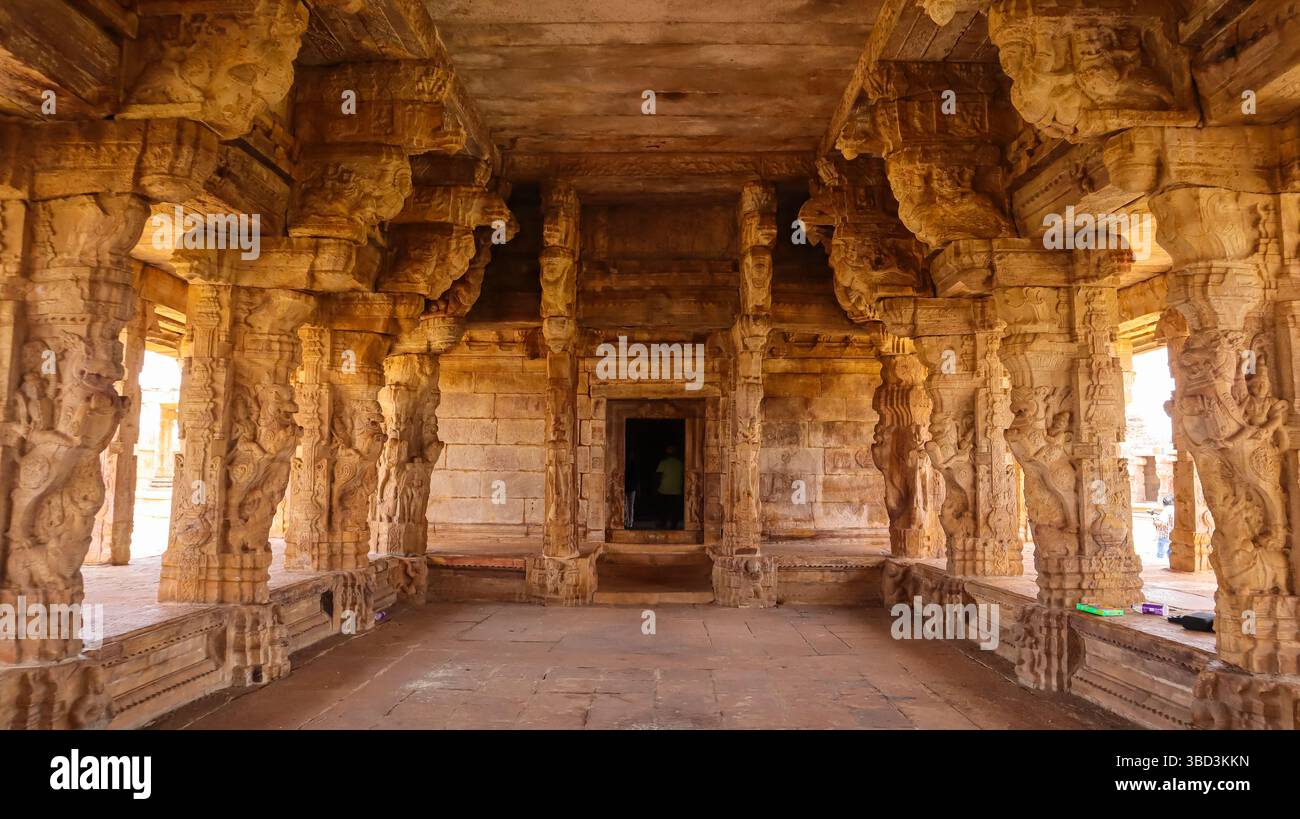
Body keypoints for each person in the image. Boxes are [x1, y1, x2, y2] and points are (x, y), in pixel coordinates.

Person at [655, 444, 684, 529]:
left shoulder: (663, 462)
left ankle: (663, 524)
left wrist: (656, 487)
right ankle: (673, 526)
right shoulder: (679, 463)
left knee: (663, 509)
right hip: (676, 490)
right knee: (675, 509)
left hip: (664, 489)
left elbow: (658, 475)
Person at [1153, 495, 1174, 560]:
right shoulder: (1175, 509)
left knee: (1161, 556)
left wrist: (1155, 521)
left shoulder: (1166, 510)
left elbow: (1162, 523)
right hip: (1173, 535)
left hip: (1165, 536)